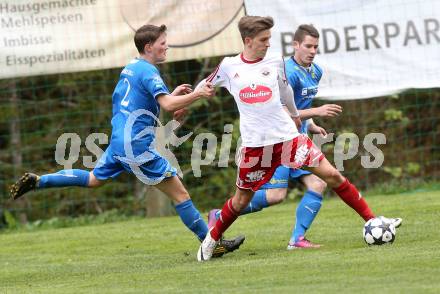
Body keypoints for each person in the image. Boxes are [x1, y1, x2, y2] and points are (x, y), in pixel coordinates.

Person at [10, 24, 244, 258]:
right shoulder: (150, 72)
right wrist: (197, 95)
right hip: (135, 146)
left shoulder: (131, 67)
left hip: (119, 141)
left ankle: (40, 181)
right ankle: (212, 244)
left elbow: (139, 103)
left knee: (94, 179)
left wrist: (173, 96)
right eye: (163, 43)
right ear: (149, 46)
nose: (167, 47)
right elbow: (167, 106)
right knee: (181, 195)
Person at [197, 16, 401, 262]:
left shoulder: (275, 62)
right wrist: (189, 101)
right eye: (264, 40)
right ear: (248, 41)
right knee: (242, 199)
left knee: (332, 176)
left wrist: (295, 116)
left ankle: (372, 220)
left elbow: (285, 92)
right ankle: (210, 240)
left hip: (289, 139)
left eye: (269, 39)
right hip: (256, 147)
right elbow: (205, 85)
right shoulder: (229, 66)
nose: (268, 44)